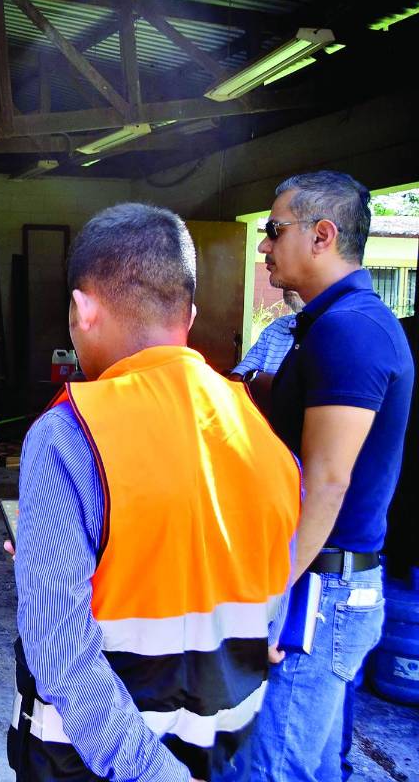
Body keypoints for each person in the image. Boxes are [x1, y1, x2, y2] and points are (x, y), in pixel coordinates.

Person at [6, 204, 301, 782]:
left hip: (88, 763)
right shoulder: (260, 433)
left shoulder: (68, 433)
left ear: (80, 310)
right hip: (222, 754)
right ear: (187, 314)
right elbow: (254, 598)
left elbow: (59, 649)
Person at [245, 172, 414, 782]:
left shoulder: (351, 331)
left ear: (322, 235)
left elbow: (328, 481)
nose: (263, 246)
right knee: (307, 765)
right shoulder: (328, 324)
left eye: (273, 231)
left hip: (320, 588)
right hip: (320, 581)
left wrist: (271, 596)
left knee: (270, 770)